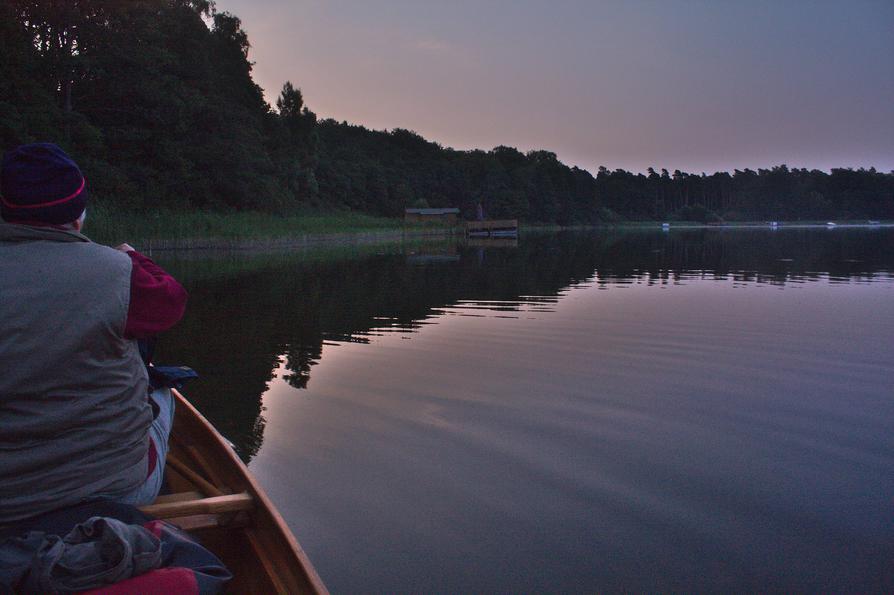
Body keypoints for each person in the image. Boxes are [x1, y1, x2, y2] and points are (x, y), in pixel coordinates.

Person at [0, 143, 188, 526]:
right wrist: (132, 256)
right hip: (117, 489)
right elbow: (171, 300)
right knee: (163, 392)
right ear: (78, 216)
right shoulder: (119, 273)